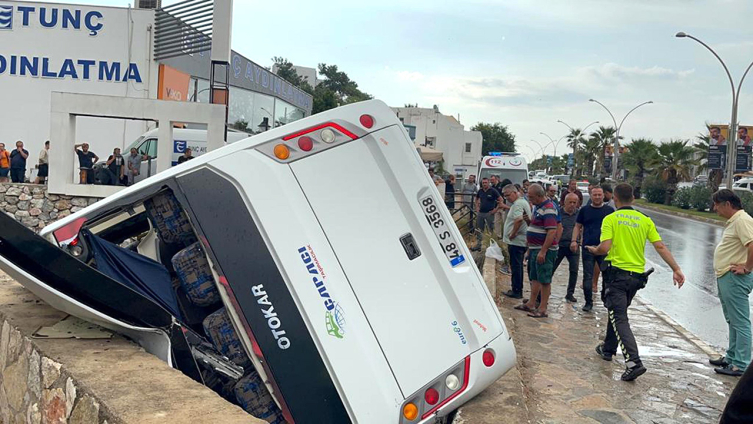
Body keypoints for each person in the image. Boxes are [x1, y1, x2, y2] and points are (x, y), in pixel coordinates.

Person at [586, 183, 685, 381]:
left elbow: (605, 247)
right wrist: (676, 268)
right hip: (636, 278)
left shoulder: (611, 218)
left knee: (619, 317)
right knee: (616, 312)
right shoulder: (644, 220)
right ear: (633, 198)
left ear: (614, 198)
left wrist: (595, 250)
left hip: (617, 276)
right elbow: (661, 246)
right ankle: (608, 348)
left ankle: (634, 362)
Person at [709, 190, 753, 377]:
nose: (715, 209)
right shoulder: (735, 221)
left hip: (735, 277)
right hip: (726, 275)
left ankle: (741, 364)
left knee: (740, 321)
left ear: (727, 204)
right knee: (732, 319)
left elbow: (752, 244)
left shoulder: (742, 220)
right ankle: (732, 357)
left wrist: (747, 268)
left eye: (717, 205)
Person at [514, 184, 558, 318]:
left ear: (539, 196)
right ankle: (531, 303)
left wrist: (543, 251)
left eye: (532, 197)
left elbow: (551, 231)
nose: (530, 199)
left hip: (544, 249)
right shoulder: (538, 207)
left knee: (544, 279)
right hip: (534, 248)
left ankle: (543, 307)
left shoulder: (549, 208)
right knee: (535, 277)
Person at [571, 186, 614, 312]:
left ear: (603, 196)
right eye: (594, 195)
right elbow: (577, 226)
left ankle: (606, 299)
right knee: (587, 276)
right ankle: (588, 302)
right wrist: (574, 241)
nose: (597, 197)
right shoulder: (584, 210)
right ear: (591, 196)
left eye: (599, 195)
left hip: (605, 248)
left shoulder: (610, 211)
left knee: (607, 276)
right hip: (588, 248)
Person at [502, 184, 531, 299]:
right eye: (505, 196)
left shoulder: (518, 203)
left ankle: (517, 290)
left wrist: (513, 233)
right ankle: (517, 288)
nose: (507, 198)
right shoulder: (521, 202)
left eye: (508, 195)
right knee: (516, 265)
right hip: (519, 240)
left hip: (516, 241)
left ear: (514, 193)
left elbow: (518, 219)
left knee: (516, 266)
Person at [553, 193, 581, 303]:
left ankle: (570, 293)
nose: (572, 205)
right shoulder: (558, 213)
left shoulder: (579, 214)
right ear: (564, 202)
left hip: (573, 245)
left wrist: (578, 241)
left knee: (574, 270)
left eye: (575, 202)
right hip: (559, 245)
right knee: (552, 268)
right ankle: (543, 291)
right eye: (570, 202)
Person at [473, 178, 501, 251]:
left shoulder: (493, 191)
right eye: (483, 183)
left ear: (489, 183)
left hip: (489, 213)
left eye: (486, 182)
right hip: (481, 212)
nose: (484, 184)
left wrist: (496, 209)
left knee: (490, 229)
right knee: (479, 230)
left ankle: (491, 245)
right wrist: (477, 207)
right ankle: (479, 245)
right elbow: (476, 198)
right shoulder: (480, 191)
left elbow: (501, 200)